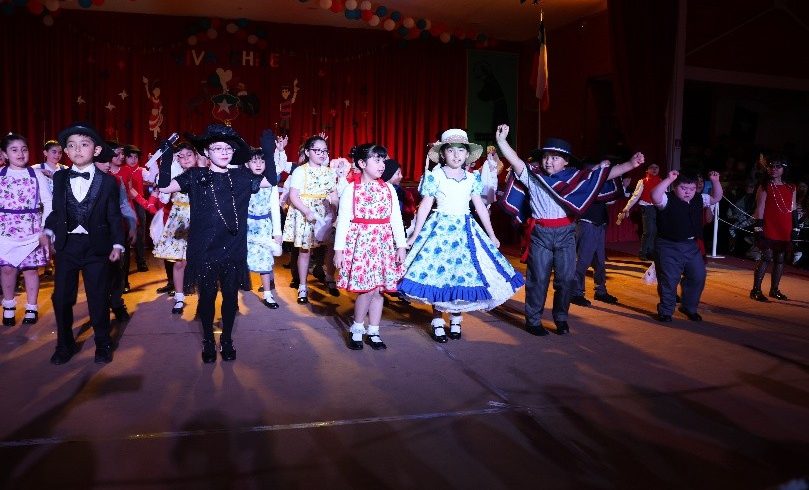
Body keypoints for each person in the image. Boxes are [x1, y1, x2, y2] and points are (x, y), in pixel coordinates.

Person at [496, 125, 643, 336]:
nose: (549, 161)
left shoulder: (575, 178)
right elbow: (516, 161)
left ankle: (561, 318)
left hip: (566, 233)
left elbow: (605, 175)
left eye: (556, 157)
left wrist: (630, 164)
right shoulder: (533, 175)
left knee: (566, 279)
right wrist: (502, 142)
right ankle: (533, 320)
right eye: (547, 156)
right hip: (541, 234)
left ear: (566, 162)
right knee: (538, 278)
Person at [157, 124, 276, 363]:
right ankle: (209, 341)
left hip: (233, 247)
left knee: (231, 299)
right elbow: (164, 187)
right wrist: (167, 156)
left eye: (228, 148)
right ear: (206, 152)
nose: (224, 152)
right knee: (207, 297)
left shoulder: (242, 177)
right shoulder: (195, 176)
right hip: (204, 249)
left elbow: (271, 180)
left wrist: (269, 152)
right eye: (217, 148)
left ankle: (228, 340)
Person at [401, 129, 524, 342]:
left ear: (467, 154)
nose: (456, 155)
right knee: (438, 276)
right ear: (443, 154)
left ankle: (456, 319)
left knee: (462, 275)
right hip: (439, 231)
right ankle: (438, 320)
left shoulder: (472, 178)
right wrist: (414, 235)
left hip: (465, 232)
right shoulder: (435, 175)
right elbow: (425, 208)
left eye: (461, 150)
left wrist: (492, 234)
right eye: (451, 150)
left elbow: (480, 208)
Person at [45, 123, 124, 364]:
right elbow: (57, 210)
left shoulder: (109, 182)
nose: (77, 149)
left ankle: (102, 342)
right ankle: (64, 343)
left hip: (96, 246)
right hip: (67, 245)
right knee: (61, 298)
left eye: (84, 144)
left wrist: (118, 244)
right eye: (71, 146)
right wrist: (48, 229)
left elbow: (113, 216)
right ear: (66, 152)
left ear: (97, 150)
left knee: (98, 296)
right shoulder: (59, 178)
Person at [334, 144, 407, 350]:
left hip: (383, 245)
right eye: (377, 160)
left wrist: (400, 246)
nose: (382, 164)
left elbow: (396, 219)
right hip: (361, 246)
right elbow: (344, 220)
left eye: (383, 160)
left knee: (378, 290)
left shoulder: (389, 188)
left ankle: (373, 331)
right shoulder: (352, 189)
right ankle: (357, 329)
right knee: (365, 290)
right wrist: (339, 250)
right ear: (362, 163)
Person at [651, 169, 723, 322]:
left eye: (691, 189)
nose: (688, 192)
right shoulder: (666, 199)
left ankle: (688, 307)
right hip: (668, 245)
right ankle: (666, 311)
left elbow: (716, 198)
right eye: (684, 188)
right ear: (675, 187)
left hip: (691, 245)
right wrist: (668, 179)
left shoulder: (699, 198)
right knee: (669, 280)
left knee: (698, 275)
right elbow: (654, 196)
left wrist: (716, 181)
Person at [137, 142, 197, 313]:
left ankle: (203, 298)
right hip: (179, 220)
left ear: (196, 156)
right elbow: (163, 199)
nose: (185, 158)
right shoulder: (174, 175)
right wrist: (162, 174)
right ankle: (179, 298)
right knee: (179, 262)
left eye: (189, 155)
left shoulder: (204, 173)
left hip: (199, 220)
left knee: (199, 261)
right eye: (181, 155)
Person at [0, 133, 53, 326]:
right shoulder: (0, 176)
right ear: (4, 154)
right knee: (7, 269)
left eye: (24, 149)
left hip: (31, 230)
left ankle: (31, 307)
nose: (20, 154)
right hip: (5, 231)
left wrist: (45, 229)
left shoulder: (36, 174)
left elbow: (48, 203)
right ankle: (8, 306)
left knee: (30, 270)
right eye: (14, 150)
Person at [282, 134, 339, 304]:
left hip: (324, 212)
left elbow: (333, 193)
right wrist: (307, 211)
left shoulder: (329, 172)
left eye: (324, 151)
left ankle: (329, 277)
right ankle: (302, 285)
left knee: (330, 247)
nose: (322, 154)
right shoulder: (300, 171)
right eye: (317, 150)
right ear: (307, 152)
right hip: (305, 213)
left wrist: (334, 210)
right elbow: (293, 195)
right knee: (305, 250)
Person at [570, 160, 622, 307]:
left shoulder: (600, 184)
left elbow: (612, 200)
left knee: (600, 262)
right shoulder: (584, 184)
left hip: (599, 225)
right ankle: (576, 293)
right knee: (583, 262)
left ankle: (601, 291)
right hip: (587, 224)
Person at [95, 147, 137, 321]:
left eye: (108, 161)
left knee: (117, 271)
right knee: (98, 273)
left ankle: (117, 302)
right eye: (103, 161)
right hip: (93, 235)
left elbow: (124, 204)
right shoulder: (85, 180)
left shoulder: (116, 181)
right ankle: (100, 306)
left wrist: (133, 225)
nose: (107, 165)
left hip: (114, 231)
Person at [750, 155, 797, 301]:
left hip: (785, 226)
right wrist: (758, 228)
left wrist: (795, 228)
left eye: (778, 166)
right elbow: (760, 208)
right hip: (769, 225)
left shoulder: (791, 187)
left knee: (780, 258)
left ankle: (774, 290)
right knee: (766, 257)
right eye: (771, 166)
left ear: (784, 169)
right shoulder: (765, 186)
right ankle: (755, 290)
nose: (774, 169)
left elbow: (793, 208)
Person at [245, 148, 282, 309]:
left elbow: (274, 208)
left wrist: (277, 232)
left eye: (262, 160)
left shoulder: (270, 182)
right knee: (241, 257)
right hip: (246, 224)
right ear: (247, 164)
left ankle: (268, 294)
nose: (258, 164)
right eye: (254, 161)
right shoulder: (243, 180)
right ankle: (238, 287)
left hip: (264, 225)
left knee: (265, 260)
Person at [618, 163, 662, 260]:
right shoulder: (642, 181)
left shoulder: (660, 181)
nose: (654, 169)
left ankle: (651, 252)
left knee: (654, 231)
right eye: (652, 167)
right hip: (646, 207)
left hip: (657, 208)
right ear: (647, 170)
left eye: (656, 167)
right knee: (648, 231)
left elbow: (664, 196)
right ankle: (643, 252)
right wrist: (627, 207)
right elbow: (635, 196)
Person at [124, 144, 149, 272]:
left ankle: (141, 261)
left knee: (140, 233)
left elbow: (152, 179)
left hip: (139, 204)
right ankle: (123, 264)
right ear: (125, 158)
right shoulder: (121, 169)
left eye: (136, 157)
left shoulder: (142, 170)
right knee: (124, 232)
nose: (133, 159)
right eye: (130, 157)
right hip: (125, 204)